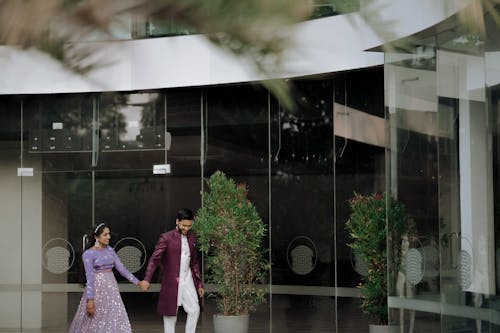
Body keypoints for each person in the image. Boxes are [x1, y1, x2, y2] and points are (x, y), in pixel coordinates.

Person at [69, 223, 148, 333]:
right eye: (105, 235)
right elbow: (90, 279)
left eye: (109, 234)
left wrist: (138, 282)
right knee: (94, 322)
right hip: (97, 291)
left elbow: (122, 269)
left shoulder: (110, 250)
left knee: (114, 320)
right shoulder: (89, 254)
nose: (109, 237)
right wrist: (90, 300)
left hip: (111, 291)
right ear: (96, 237)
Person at [142, 208, 204, 333]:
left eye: (189, 226)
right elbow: (154, 259)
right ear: (177, 222)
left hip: (188, 279)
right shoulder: (166, 238)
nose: (186, 228)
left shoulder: (193, 236)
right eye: (183, 225)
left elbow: (195, 262)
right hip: (171, 280)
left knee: (195, 309)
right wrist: (147, 279)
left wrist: (199, 284)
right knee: (170, 315)